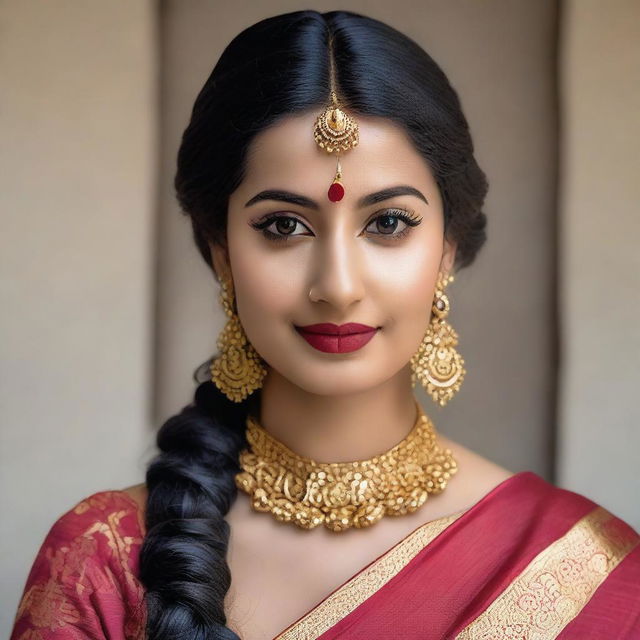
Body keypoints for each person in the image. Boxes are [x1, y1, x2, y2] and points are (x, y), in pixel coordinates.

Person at [10, 9, 639, 640]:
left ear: (447, 247)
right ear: (221, 251)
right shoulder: (104, 559)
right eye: (284, 226)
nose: (337, 286)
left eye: (388, 223)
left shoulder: (592, 570)